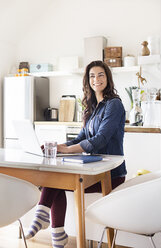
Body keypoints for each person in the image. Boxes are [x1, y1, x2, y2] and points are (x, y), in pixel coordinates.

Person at [25, 60, 127, 248]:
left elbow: (100, 139)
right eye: (92, 76)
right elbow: (81, 137)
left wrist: (69, 150)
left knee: (56, 178)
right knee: (56, 178)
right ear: (87, 81)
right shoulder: (91, 108)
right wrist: (59, 146)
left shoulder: (114, 105)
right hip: (92, 169)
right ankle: (57, 234)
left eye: (100, 75)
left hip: (110, 174)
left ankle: (42, 216)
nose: (96, 79)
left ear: (108, 78)